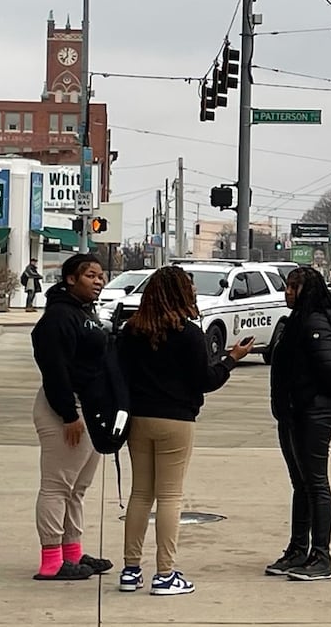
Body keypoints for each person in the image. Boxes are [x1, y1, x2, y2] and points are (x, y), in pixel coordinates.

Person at [116, 266, 252, 596]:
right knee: (170, 496)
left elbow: (118, 374)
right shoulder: (189, 334)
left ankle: (131, 570)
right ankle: (165, 574)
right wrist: (231, 359)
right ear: (181, 293)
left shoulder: (129, 331)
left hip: (138, 418)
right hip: (176, 420)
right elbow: (205, 381)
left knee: (140, 494)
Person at [29, 253, 114, 581]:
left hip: (88, 408)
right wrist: (68, 414)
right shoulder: (59, 317)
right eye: (90, 275)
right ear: (70, 279)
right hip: (64, 410)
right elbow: (54, 370)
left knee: (77, 488)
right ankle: (51, 561)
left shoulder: (83, 313)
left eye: (100, 275)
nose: (98, 281)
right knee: (56, 486)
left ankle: (72, 552)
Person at [265, 266, 331, 582]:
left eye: (293, 287)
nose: (287, 292)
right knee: (301, 483)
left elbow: (329, 369)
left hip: (313, 412)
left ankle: (321, 556)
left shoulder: (315, 322)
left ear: (306, 291)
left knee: (315, 483)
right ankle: (298, 549)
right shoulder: (295, 322)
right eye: (286, 286)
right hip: (292, 412)